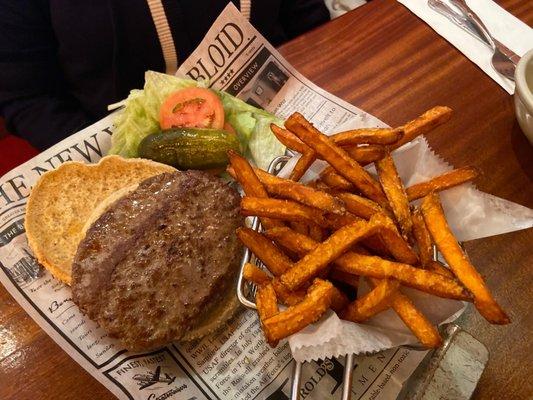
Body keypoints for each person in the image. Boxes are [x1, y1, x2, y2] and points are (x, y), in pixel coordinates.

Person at [0, 0, 330, 150]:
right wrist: (124, 162)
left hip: (289, 123)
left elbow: (308, 20)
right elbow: (27, 97)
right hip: (128, 154)